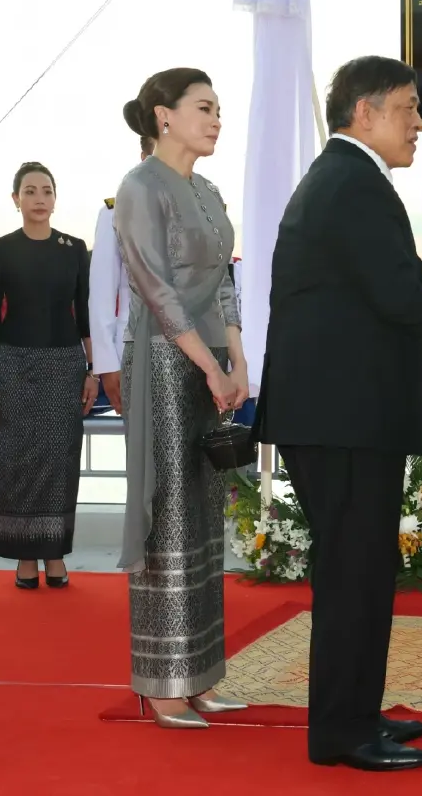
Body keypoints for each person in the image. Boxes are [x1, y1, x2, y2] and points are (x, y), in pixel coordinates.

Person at [253, 56, 422, 771]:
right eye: (409, 108)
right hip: (340, 417)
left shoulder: (349, 178)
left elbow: (378, 296)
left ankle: (355, 711)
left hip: (343, 413)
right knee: (353, 573)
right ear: (366, 111)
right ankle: (339, 732)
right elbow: (397, 293)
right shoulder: (351, 183)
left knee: (360, 570)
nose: (419, 123)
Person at [115, 67, 249, 729]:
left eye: (219, 108)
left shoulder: (210, 190)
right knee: (168, 513)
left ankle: (201, 677)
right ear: (164, 116)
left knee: (204, 515)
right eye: (204, 107)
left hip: (210, 365)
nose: (216, 118)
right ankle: (163, 681)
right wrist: (207, 366)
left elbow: (226, 283)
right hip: (168, 367)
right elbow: (157, 292)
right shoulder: (140, 188)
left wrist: (238, 359)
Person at [0, 162, 98, 589]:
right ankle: (24, 556)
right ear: (16, 199)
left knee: (60, 458)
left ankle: (54, 554)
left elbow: (86, 316)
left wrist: (93, 371)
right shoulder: (1, 248)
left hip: (65, 365)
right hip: (11, 366)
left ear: (55, 198)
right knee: (15, 458)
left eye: (46, 190)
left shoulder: (74, 248)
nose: (39, 198)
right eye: (30, 191)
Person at [89, 135, 155, 412]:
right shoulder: (115, 214)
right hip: (135, 350)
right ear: (144, 159)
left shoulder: (202, 208)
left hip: (195, 354)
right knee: (144, 452)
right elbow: (102, 296)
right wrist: (106, 364)